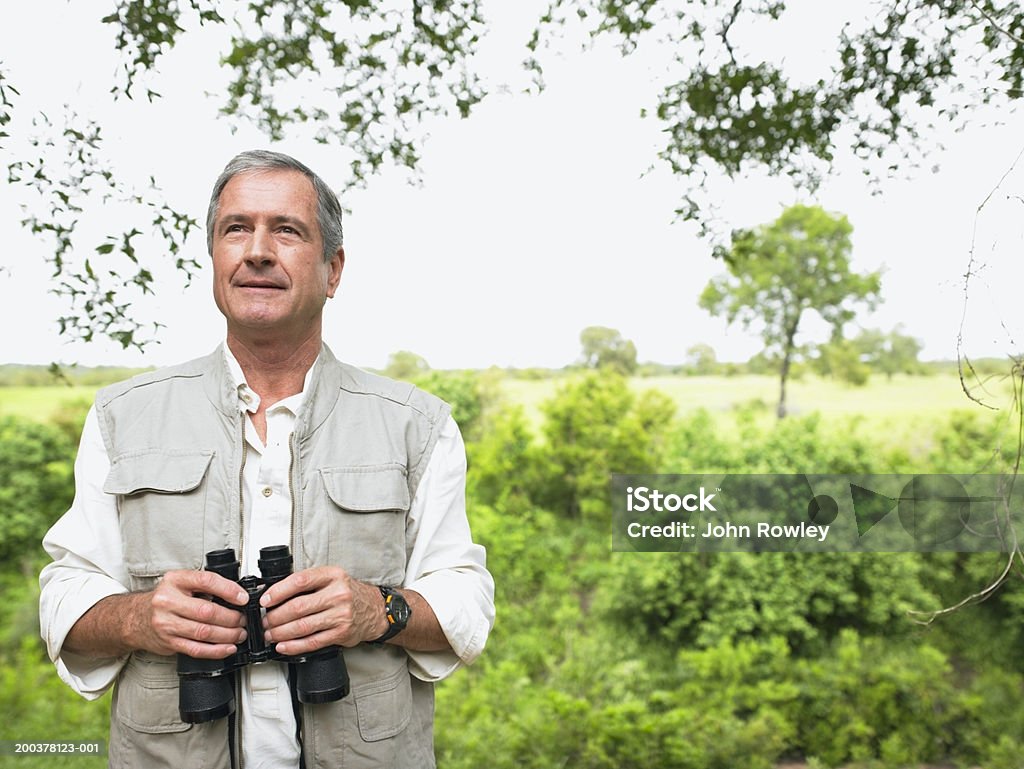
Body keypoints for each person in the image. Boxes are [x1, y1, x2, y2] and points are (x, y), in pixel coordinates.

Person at [38, 149, 495, 769]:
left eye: (286, 229)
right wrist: (141, 619)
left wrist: (373, 610)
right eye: (235, 229)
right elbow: (65, 593)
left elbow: (466, 603)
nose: (256, 250)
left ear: (333, 270)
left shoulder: (417, 424)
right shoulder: (124, 416)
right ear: (214, 261)